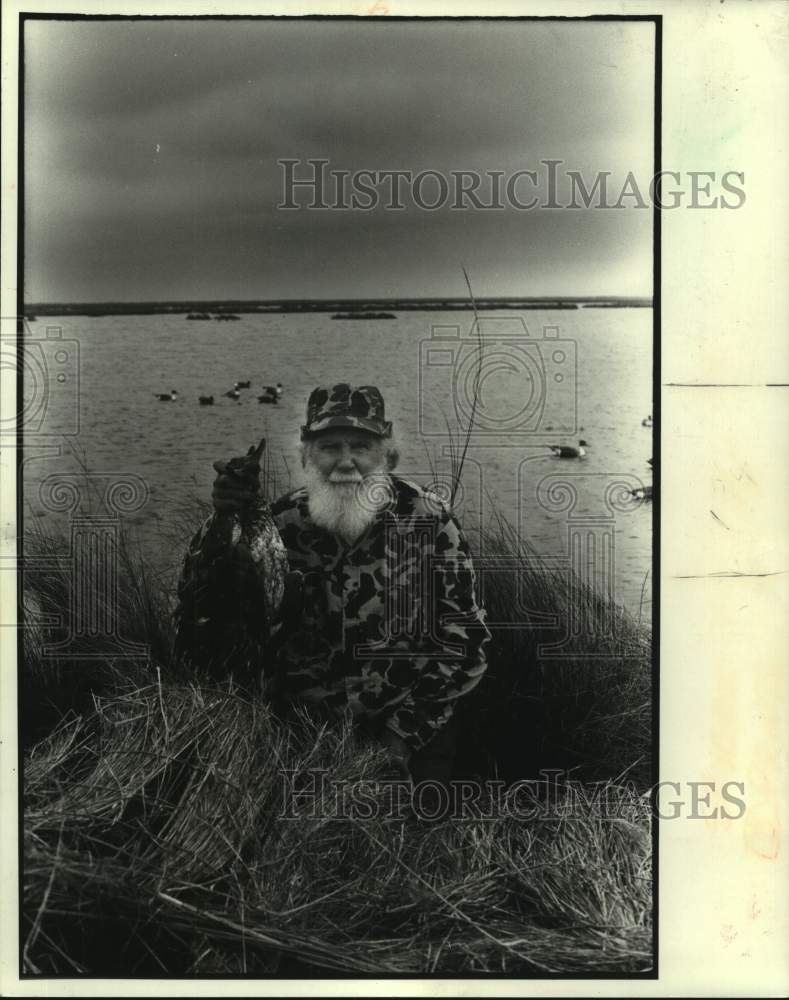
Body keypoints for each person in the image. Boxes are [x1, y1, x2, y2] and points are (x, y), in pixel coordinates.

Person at [175, 382, 491, 790]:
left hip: (411, 725)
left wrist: (401, 737)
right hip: (300, 728)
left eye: (360, 445)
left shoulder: (428, 522)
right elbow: (202, 610)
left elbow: (467, 642)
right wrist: (224, 520)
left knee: (415, 842)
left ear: (385, 452)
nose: (346, 462)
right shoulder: (280, 523)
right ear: (306, 452)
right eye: (329, 447)